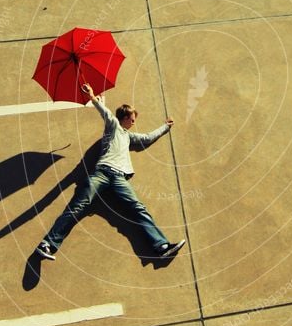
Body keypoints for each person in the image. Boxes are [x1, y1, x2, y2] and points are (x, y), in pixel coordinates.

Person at [35, 83, 185, 261]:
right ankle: (47, 244)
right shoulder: (113, 126)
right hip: (102, 173)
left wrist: (165, 127)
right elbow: (105, 113)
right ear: (124, 116)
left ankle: (161, 246)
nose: (134, 121)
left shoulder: (129, 136)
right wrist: (92, 96)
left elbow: (146, 138)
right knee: (77, 207)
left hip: (120, 179)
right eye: (132, 118)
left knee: (138, 208)